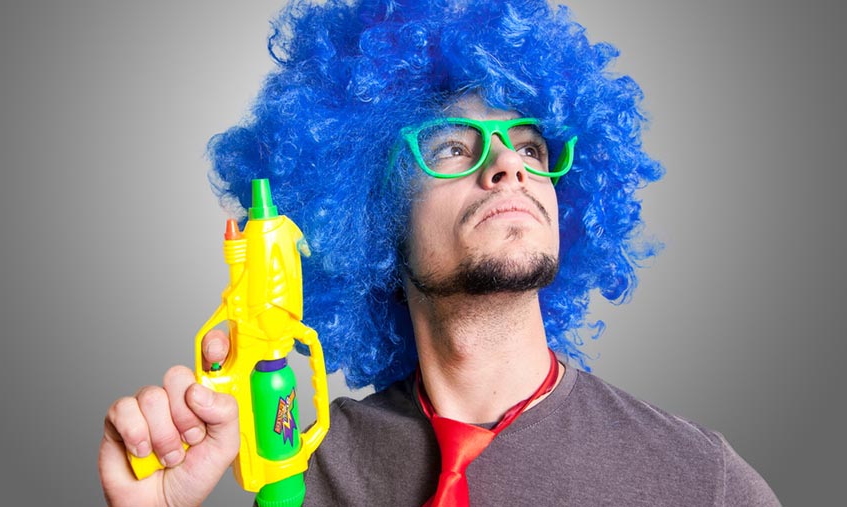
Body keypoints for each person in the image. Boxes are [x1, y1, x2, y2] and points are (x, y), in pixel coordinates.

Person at [99, 0, 780, 505]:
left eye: (531, 147)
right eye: (454, 145)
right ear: (374, 208)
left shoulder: (699, 482)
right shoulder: (304, 468)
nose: (508, 166)